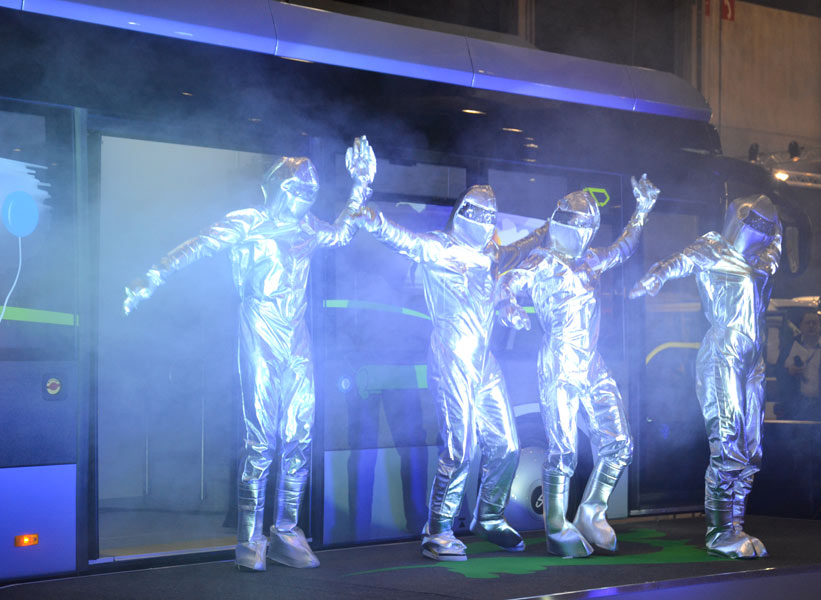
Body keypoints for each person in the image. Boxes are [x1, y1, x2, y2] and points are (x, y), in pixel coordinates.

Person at [123, 137, 377, 571]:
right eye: (296, 188)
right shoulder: (250, 221)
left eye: (309, 191)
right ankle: (249, 538)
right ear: (277, 186)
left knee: (299, 436)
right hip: (259, 332)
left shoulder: (308, 227)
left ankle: (287, 531)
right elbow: (199, 245)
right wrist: (153, 276)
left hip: (297, 338)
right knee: (261, 440)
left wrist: (361, 185)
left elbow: (342, 233)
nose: (302, 197)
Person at [352, 186, 547, 561]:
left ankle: (489, 517)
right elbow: (397, 236)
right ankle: (438, 530)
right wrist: (367, 211)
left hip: (484, 362)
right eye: (479, 214)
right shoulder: (437, 247)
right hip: (451, 358)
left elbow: (518, 249)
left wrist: (546, 229)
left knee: (507, 446)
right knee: (461, 449)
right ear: (462, 214)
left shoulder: (490, 254)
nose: (485, 222)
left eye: (490, 216)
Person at [496, 175, 658, 557]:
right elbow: (508, 281)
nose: (580, 231)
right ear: (559, 221)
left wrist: (642, 210)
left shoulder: (590, 261)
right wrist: (508, 307)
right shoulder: (542, 261)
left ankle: (591, 513)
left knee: (619, 443)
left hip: (591, 362)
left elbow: (624, 247)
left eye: (586, 225)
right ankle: (556, 527)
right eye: (574, 222)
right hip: (559, 361)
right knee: (563, 450)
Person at [630, 194, 781, 559]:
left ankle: (735, 526)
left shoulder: (761, 259)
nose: (759, 230)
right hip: (723, 353)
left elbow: (776, 245)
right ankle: (720, 532)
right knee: (727, 444)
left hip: (752, 359)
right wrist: (656, 276)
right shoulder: (713, 247)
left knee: (751, 450)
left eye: (765, 225)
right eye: (754, 222)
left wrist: (778, 225)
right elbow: (678, 262)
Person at [776, 310, 821, 422]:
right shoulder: (790, 345)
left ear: (820, 327)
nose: (811, 326)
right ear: (801, 326)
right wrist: (789, 372)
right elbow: (778, 371)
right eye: (807, 323)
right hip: (795, 408)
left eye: (814, 323)